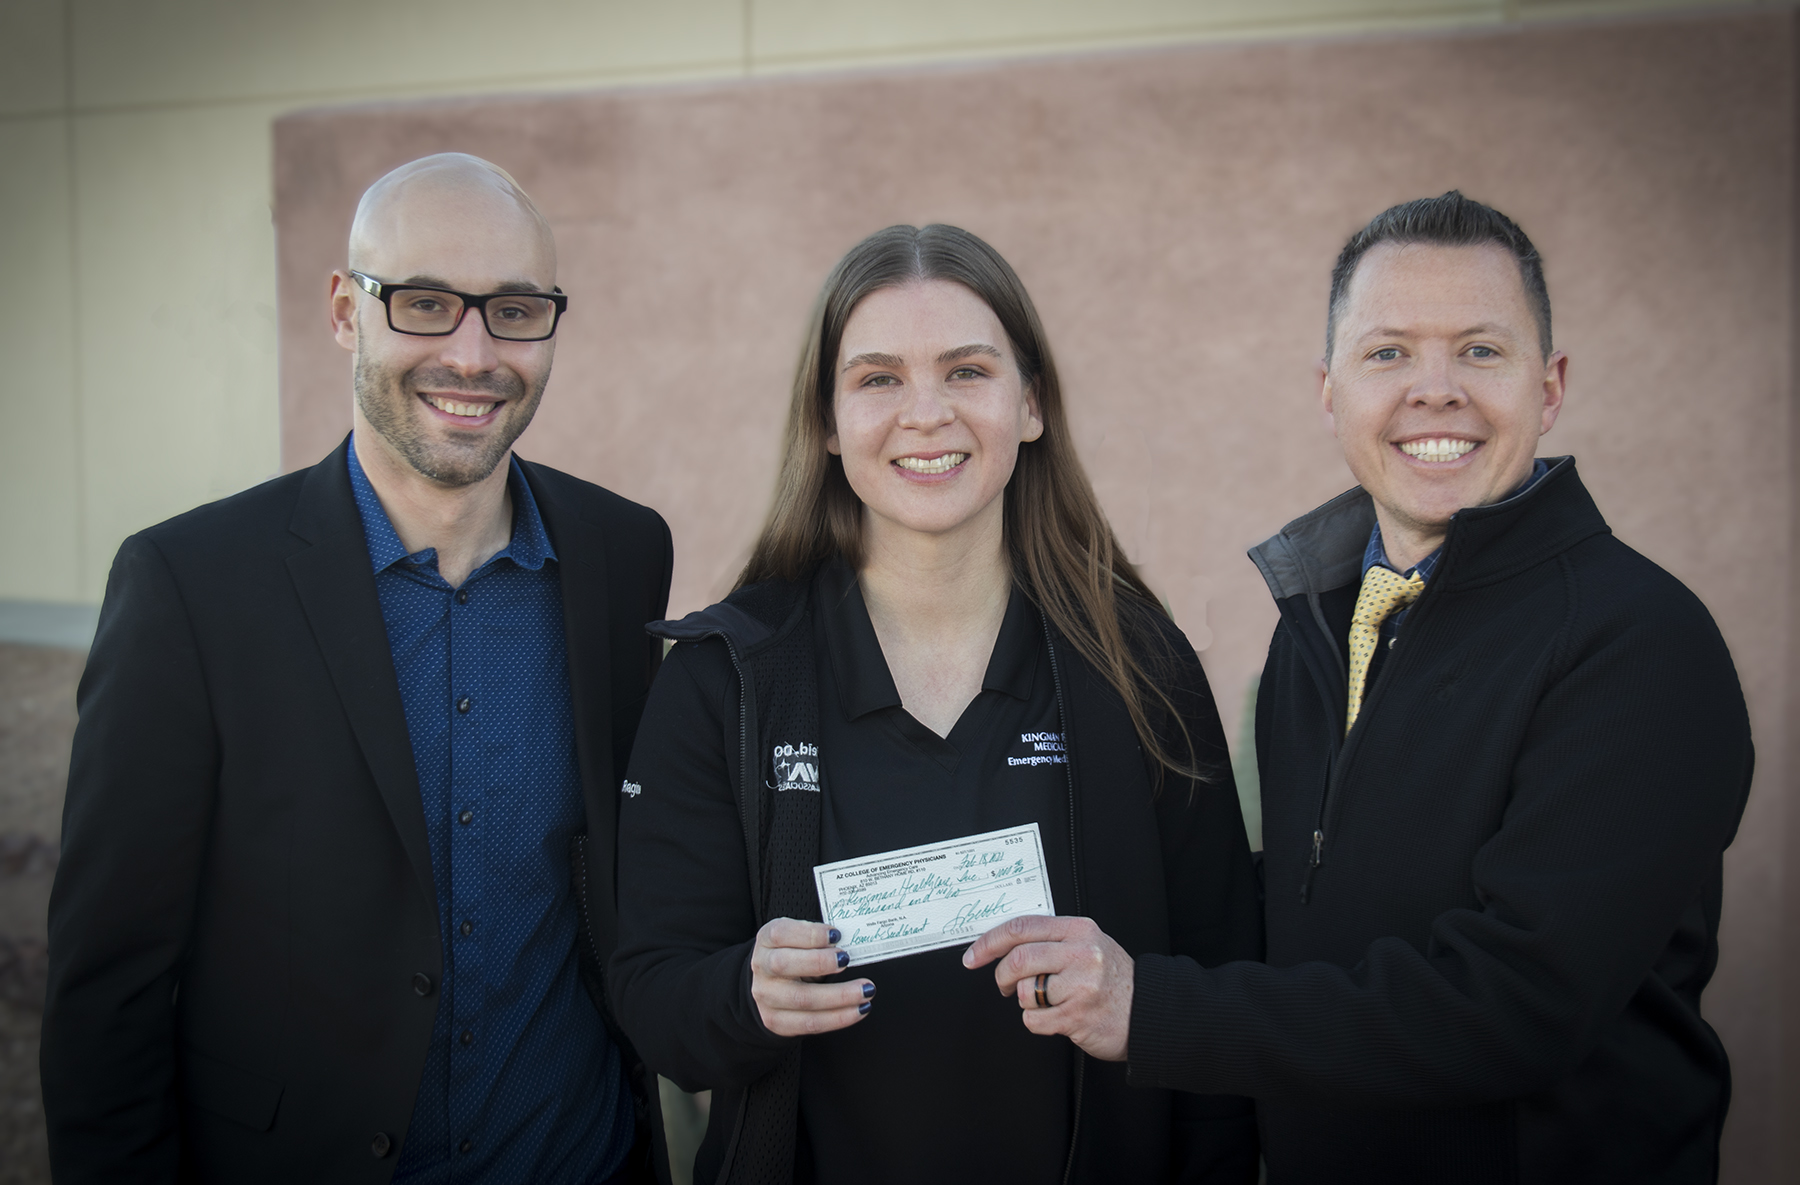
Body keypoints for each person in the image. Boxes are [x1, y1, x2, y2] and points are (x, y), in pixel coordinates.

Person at [966, 192, 1754, 1183]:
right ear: (1328, 389)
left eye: (1479, 350)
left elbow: (1513, 1009)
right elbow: (1307, 921)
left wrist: (1151, 1008)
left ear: (1548, 387)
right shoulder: (1323, 634)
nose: (1435, 390)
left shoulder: (1639, 646)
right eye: (1389, 353)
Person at [42, 154, 674, 1184]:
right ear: (345, 311)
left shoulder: (625, 553)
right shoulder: (189, 587)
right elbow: (106, 993)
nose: (473, 354)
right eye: (425, 304)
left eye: (514, 311)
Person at [609, 224, 1262, 1184]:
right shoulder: (726, 677)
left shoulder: (1142, 668)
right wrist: (742, 992)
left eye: (967, 371)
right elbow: (655, 994)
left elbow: (1222, 992)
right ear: (827, 421)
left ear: (1030, 404)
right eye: (878, 378)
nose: (926, 413)